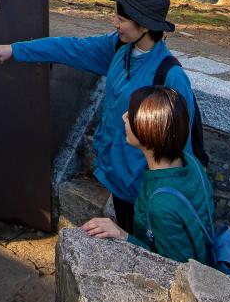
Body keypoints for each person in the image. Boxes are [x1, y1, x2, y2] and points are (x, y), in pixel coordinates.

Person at [0, 0, 198, 232]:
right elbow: (70, 48)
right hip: (119, 178)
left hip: (147, 190)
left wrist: (168, 200)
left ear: (145, 26)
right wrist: (15, 50)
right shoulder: (119, 48)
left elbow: (184, 148)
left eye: (122, 19)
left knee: (146, 252)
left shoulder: (170, 76)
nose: (115, 23)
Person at [80, 86, 213, 263]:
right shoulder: (190, 162)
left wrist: (124, 235)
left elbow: (175, 268)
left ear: (148, 128)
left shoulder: (161, 205)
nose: (124, 116)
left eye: (132, 115)